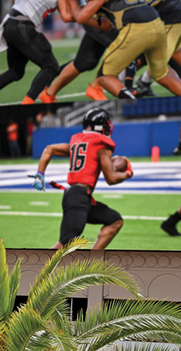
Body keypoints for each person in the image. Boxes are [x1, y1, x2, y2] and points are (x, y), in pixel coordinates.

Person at [31, 107, 132, 249]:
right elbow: (111, 178)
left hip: (80, 196)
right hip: (79, 197)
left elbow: (49, 149)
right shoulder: (101, 143)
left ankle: (92, 261)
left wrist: (39, 174)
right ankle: (38, 266)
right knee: (66, 242)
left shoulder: (77, 141)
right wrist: (128, 173)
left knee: (115, 220)